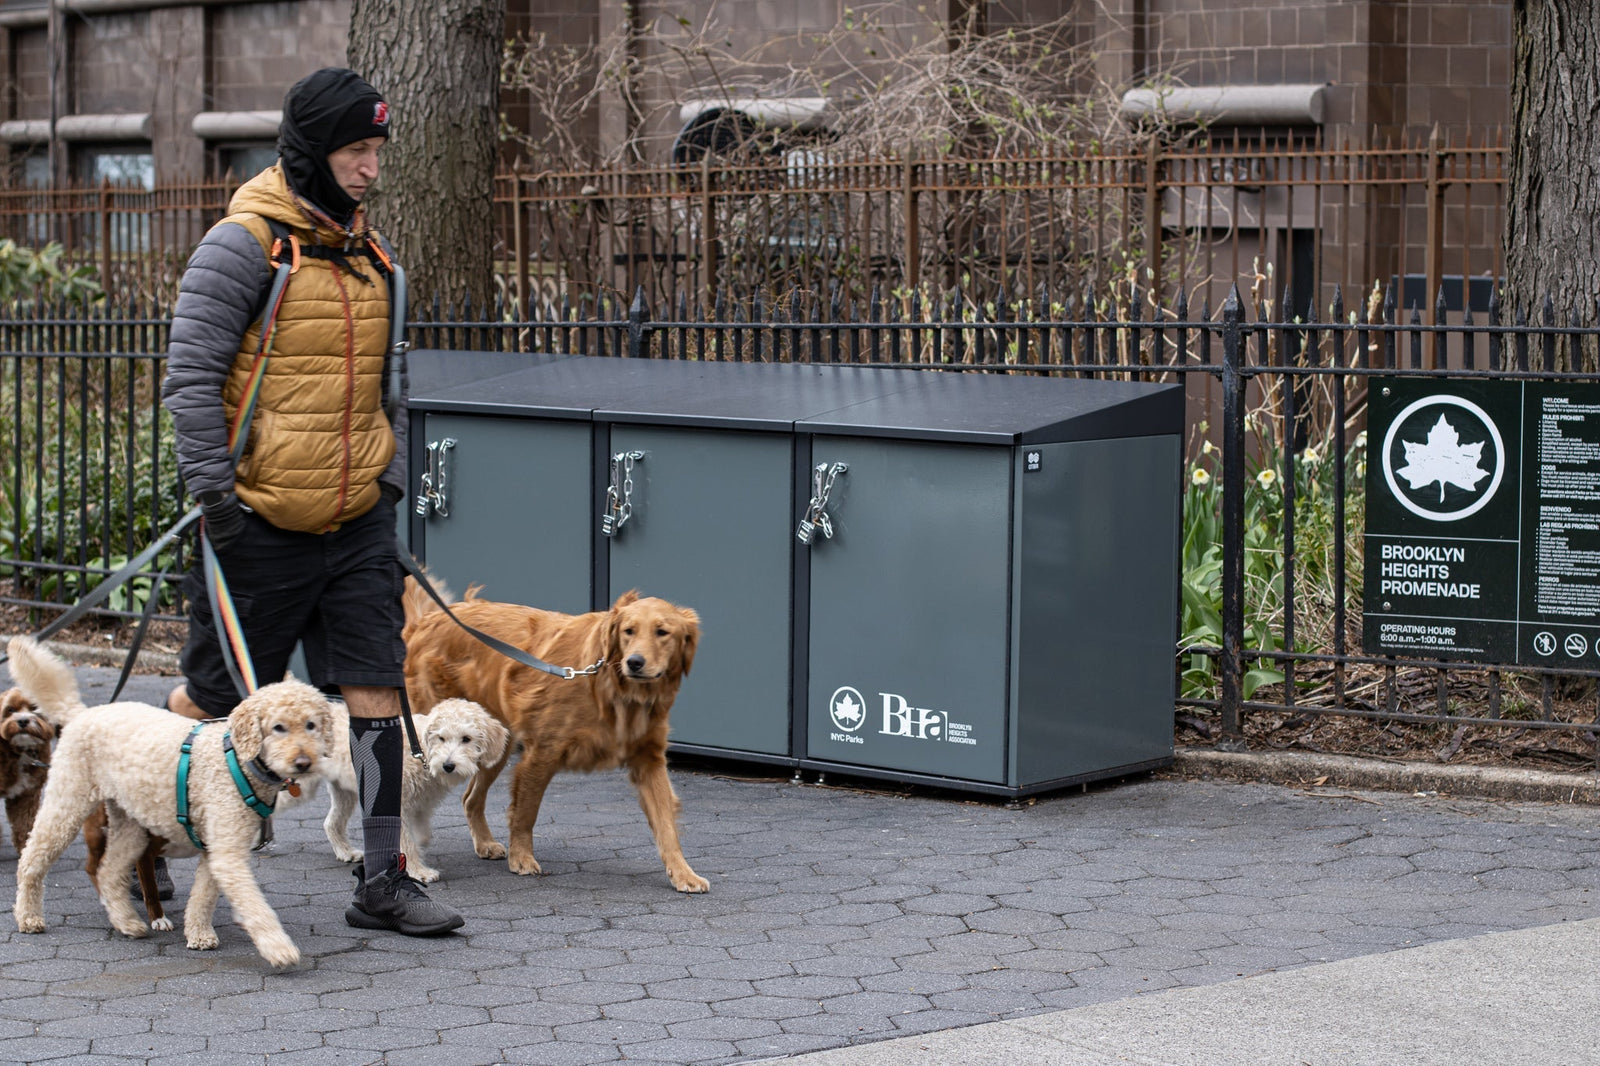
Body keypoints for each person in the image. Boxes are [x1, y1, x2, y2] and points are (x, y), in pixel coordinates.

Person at [159, 67, 462, 937]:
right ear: (311, 152)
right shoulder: (243, 245)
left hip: (355, 519)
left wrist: (387, 482)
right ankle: (137, 815)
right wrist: (220, 503)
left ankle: (382, 879)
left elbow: (388, 385)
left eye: (375, 151)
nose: (370, 169)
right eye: (355, 151)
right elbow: (190, 381)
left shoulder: (370, 253)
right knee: (212, 697)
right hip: (255, 522)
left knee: (374, 683)